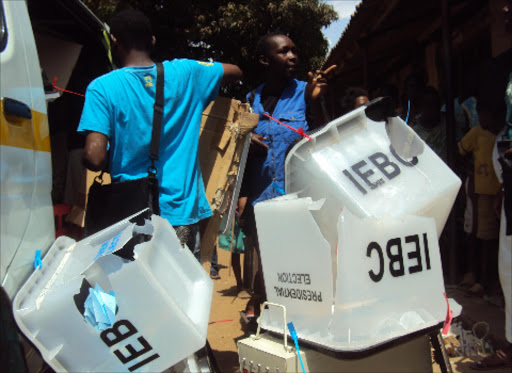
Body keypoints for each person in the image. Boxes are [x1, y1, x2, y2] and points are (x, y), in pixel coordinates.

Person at [78, 9, 242, 260]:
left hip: (130, 215)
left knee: (132, 289)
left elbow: (94, 157)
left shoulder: (101, 88)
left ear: (114, 41)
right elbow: (235, 71)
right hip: (179, 215)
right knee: (181, 293)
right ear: (152, 41)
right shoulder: (188, 73)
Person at [239, 32, 336, 322]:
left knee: (298, 265)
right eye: (283, 52)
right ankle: (265, 312)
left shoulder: (307, 92)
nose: (293, 56)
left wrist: (316, 102)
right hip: (261, 199)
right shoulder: (250, 99)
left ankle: (299, 320)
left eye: (294, 51)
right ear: (264, 59)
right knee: (266, 261)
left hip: (298, 199)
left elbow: (324, 139)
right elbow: (240, 154)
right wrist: (247, 142)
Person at [458, 97, 504, 299]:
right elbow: (460, 150)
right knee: (480, 236)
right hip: (480, 194)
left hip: (498, 193)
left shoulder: (502, 136)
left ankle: (489, 278)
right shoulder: (477, 134)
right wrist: (470, 171)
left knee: (493, 238)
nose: (484, 119)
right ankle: (479, 279)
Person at [411, 86, 447, 162]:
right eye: (427, 105)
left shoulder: (448, 126)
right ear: (419, 107)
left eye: (435, 104)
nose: (432, 109)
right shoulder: (413, 132)